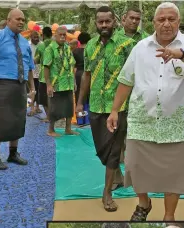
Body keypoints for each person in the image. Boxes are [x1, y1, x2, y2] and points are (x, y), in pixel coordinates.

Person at [107, 2, 184, 221]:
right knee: (135, 167)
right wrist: (115, 110)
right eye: (161, 19)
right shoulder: (141, 47)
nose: (166, 24)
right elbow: (126, 80)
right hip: (143, 121)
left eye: (171, 19)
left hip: (177, 124)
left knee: (173, 176)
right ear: (153, 23)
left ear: (179, 22)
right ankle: (144, 203)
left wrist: (180, 54)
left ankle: (169, 216)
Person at [77, 7, 135, 212]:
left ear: (115, 22)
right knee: (102, 151)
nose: (103, 26)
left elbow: (134, 77)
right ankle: (114, 175)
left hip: (118, 107)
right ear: (95, 23)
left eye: (107, 22)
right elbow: (86, 75)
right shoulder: (90, 45)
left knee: (113, 152)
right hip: (95, 106)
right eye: (100, 22)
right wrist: (79, 101)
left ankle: (107, 192)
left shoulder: (128, 45)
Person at [0, 8, 36, 170]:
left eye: (23, 20)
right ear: (9, 20)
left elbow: (29, 66)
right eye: (17, 19)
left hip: (20, 86)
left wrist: (32, 87)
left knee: (18, 119)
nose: (21, 22)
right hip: (0, 85)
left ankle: (13, 153)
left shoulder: (24, 42)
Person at [43, 26, 77, 137]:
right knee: (54, 107)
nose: (62, 37)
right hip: (55, 84)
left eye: (64, 35)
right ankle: (51, 130)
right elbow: (46, 67)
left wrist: (74, 82)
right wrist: (48, 85)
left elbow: (72, 65)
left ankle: (68, 129)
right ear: (55, 35)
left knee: (69, 106)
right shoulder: (50, 49)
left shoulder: (67, 48)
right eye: (60, 35)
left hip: (68, 83)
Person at [35, 27, 53, 122]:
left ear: (43, 35)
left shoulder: (41, 46)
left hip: (44, 77)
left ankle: (49, 117)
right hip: (56, 76)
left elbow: (36, 60)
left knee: (44, 98)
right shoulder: (56, 44)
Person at [27, 30, 42, 116]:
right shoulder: (27, 45)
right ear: (31, 37)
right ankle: (32, 108)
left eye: (37, 37)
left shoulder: (41, 44)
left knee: (39, 88)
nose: (36, 39)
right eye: (34, 37)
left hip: (40, 69)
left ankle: (37, 107)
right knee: (31, 89)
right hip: (30, 69)